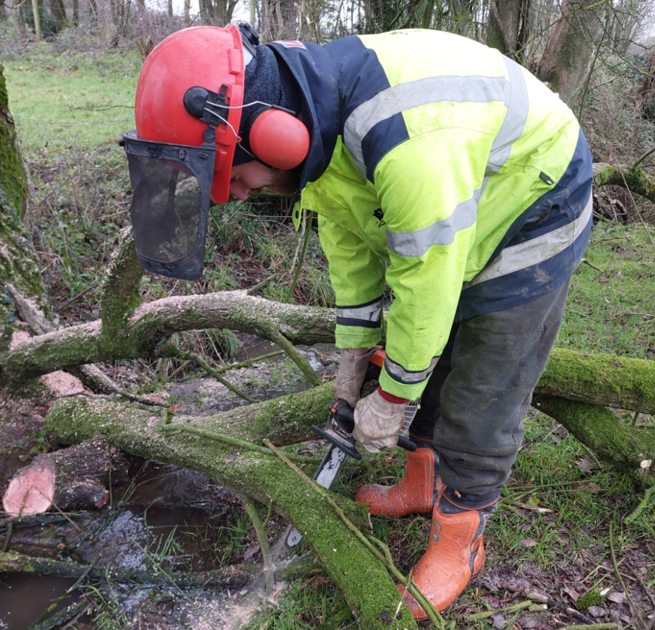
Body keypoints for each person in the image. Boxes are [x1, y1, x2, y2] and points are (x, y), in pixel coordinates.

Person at [121, 22, 593, 618]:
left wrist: (392, 399)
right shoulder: (323, 130)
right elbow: (353, 257)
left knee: (486, 375)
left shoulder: (402, 139)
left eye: (235, 177)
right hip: (454, 204)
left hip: (535, 198)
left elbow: (427, 282)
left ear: (274, 137)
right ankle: (422, 479)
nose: (238, 194)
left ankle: (461, 537)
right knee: (428, 347)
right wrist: (352, 363)